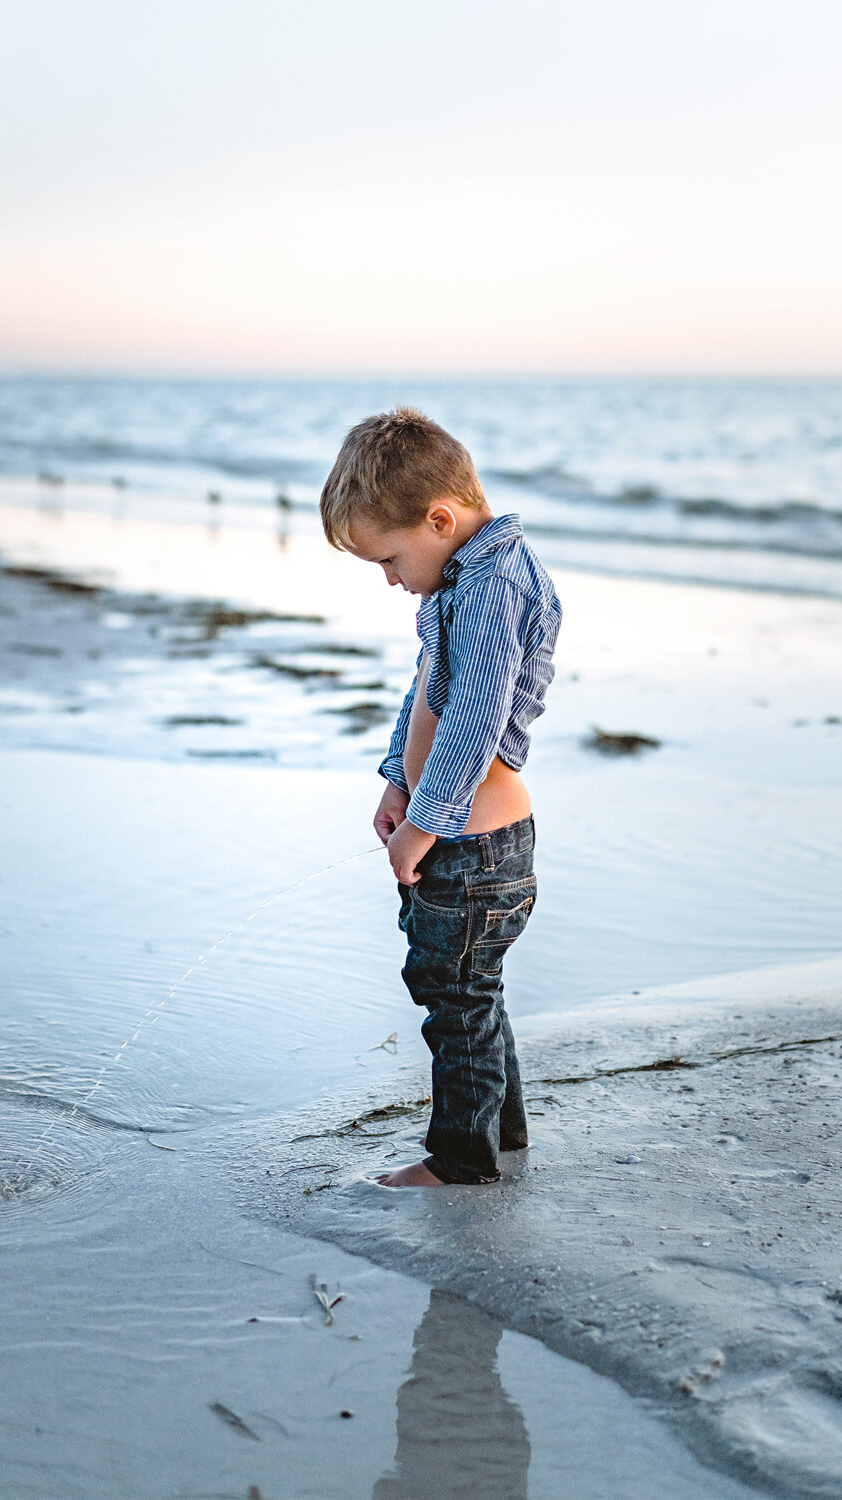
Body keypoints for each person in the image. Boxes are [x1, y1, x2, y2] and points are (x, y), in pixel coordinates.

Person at [320, 407, 562, 1187]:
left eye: (389, 558)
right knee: (469, 993)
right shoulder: (460, 580)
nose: (390, 579)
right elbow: (425, 690)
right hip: (457, 832)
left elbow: (474, 725)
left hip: (474, 844)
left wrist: (423, 824)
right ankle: (503, 1130)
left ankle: (461, 1158)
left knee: (455, 1000)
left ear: (440, 518)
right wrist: (397, 778)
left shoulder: (494, 588)